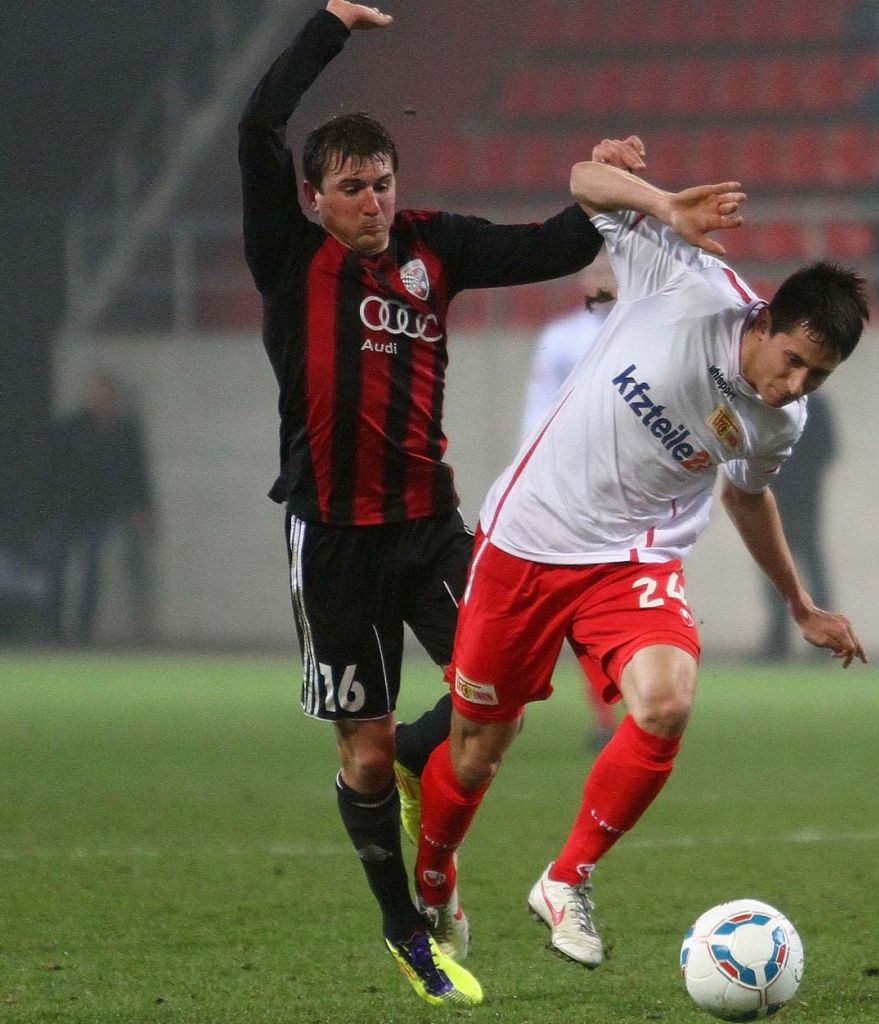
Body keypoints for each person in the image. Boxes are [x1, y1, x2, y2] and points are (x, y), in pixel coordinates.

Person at [237, 0, 645, 1007]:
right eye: (350, 188)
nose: (371, 202)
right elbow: (255, 127)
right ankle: (402, 924)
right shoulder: (289, 260)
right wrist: (325, 27)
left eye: (381, 183)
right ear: (314, 197)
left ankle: (429, 756)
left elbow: (550, 245)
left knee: (501, 691)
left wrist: (614, 185)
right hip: (330, 540)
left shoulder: (436, 247)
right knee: (363, 751)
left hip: (431, 531)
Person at [413, 161, 869, 985]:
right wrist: (661, 204)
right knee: (479, 749)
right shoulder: (684, 282)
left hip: (632, 561)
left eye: (818, 376)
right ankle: (435, 877)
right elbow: (586, 178)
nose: (795, 384)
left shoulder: (780, 421)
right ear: (764, 320)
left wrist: (800, 604)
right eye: (794, 360)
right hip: (527, 540)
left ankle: (566, 880)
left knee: (666, 700)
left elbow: (745, 497)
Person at [519, 253, 621, 749]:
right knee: (560, 607)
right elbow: (537, 414)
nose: (601, 278)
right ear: (583, 277)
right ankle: (499, 701)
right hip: (565, 493)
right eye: (594, 270)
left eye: (610, 270)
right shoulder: (560, 339)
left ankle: (613, 717)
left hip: (623, 496)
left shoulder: (643, 336)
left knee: (606, 607)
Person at [43, 370, 157, 645]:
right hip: (69, 510)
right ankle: (53, 630)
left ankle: (84, 631)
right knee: (57, 568)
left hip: (101, 512)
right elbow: (54, 469)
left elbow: (136, 473)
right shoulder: (73, 428)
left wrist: (143, 508)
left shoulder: (125, 431)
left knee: (92, 569)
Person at [760, 392, 838, 660]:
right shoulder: (792, 403)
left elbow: (828, 450)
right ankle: (780, 640)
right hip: (782, 499)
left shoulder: (806, 405)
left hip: (798, 500)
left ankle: (819, 640)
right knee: (780, 570)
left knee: (792, 568)